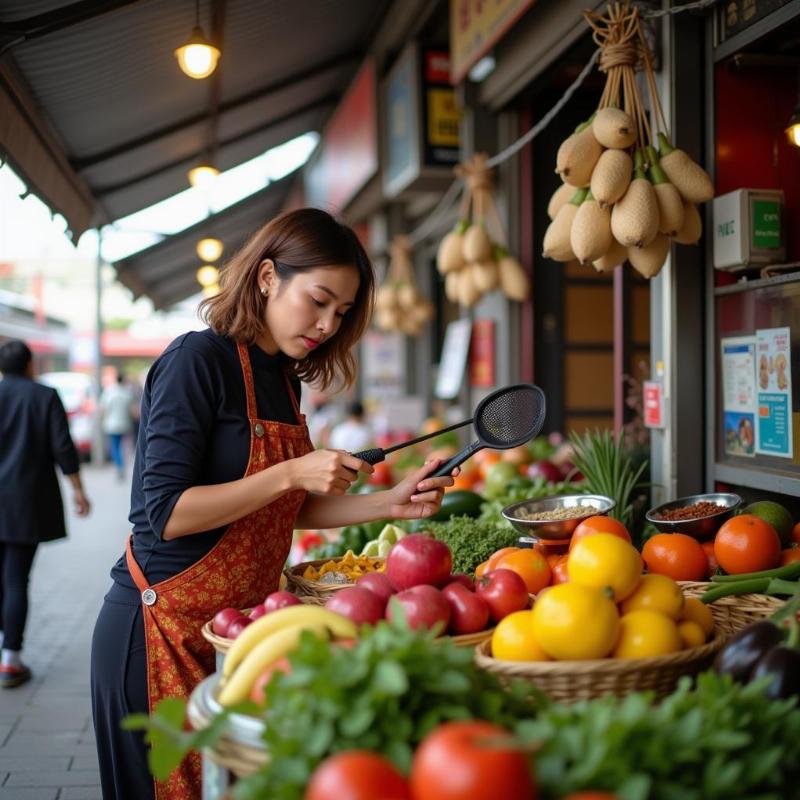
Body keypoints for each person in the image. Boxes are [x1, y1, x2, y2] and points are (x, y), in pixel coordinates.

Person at [90, 208, 455, 800]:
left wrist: (390, 503)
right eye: (318, 300)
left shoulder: (285, 380)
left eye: (340, 313)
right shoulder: (196, 361)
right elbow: (166, 512)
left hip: (240, 638)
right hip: (160, 631)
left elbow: (288, 510)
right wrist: (290, 472)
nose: (326, 324)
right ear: (266, 278)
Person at [0, 340, 91, 688]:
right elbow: (62, 446)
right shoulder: (43, 396)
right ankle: (10, 660)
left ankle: (9, 641)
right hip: (26, 502)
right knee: (15, 580)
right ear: (29, 366)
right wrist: (78, 491)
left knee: (6, 583)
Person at [100, 373, 135, 479]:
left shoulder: (109, 392)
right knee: (123, 446)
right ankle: (122, 465)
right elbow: (132, 410)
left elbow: (104, 409)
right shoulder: (127, 393)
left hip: (112, 425)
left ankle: (119, 466)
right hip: (125, 424)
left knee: (114, 447)